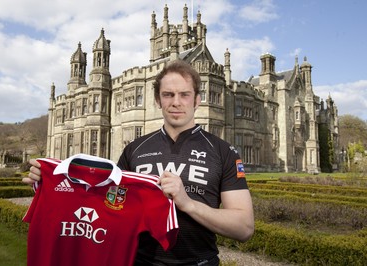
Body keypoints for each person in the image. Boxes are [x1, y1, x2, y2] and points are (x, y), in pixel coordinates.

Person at [23, 60, 254, 265]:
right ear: (157, 100)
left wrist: (188, 203)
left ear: (197, 100)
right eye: (168, 94)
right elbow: (106, 206)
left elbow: (244, 227)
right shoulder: (135, 149)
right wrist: (57, 185)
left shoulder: (223, 151)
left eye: (184, 94)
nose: (176, 102)